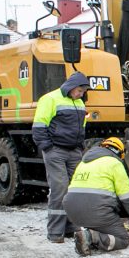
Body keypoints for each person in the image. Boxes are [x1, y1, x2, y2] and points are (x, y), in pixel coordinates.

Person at [33, 71, 89, 243]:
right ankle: (55, 232)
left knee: (75, 189)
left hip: (73, 151)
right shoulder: (50, 99)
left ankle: (71, 228)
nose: (81, 94)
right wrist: (48, 148)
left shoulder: (79, 103)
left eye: (83, 92)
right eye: (79, 91)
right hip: (56, 150)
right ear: (71, 87)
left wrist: (79, 146)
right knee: (60, 188)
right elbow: (39, 126)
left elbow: (82, 126)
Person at [65, 137, 129, 257]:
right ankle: (91, 236)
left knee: (100, 222)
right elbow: (128, 197)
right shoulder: (114, 163)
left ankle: (88, 236)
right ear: (120, 153)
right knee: (122, 239)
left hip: (72, 212)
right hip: (96, 211)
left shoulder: (83, 162)